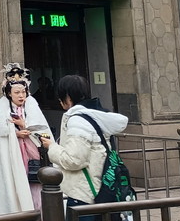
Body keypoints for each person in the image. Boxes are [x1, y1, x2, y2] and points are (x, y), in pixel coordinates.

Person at [40, 75, 129, 221]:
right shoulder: (96, 115)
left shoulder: (77, 121)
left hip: (84, 194)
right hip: (101, 188)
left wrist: (51, 147)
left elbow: (74, 160)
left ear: (68, 97)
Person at [0, 63, 53, 215]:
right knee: (15, 183)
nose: (21, 95)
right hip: (13, 153)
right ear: (9, 93)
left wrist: (25, 125)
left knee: (35, 186)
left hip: (32, 154)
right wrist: (15, 133)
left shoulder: (32, 104)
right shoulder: (2, 106)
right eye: (17, 92)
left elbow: (42, 128)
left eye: (23, 92)